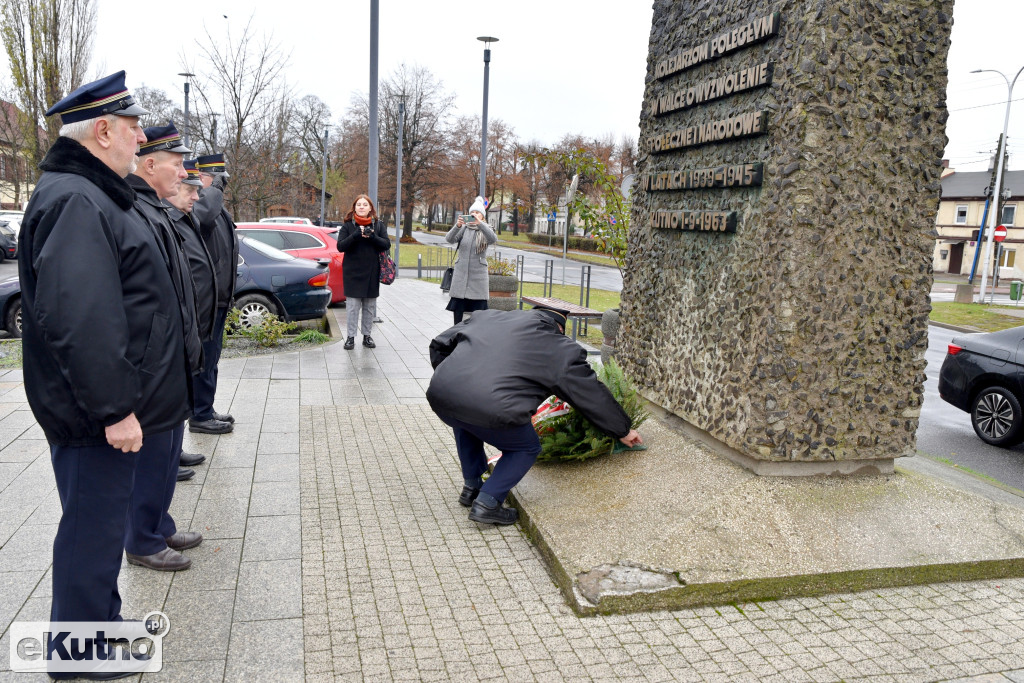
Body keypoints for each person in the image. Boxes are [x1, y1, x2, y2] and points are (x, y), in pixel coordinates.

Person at [17, 71, 183, 653]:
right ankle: (80, 655)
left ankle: (99, 633)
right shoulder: (77, 200)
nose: (142, 140)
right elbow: (79, 318)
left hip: (98, 408)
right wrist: (115, 409)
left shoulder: (90, 194)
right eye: (136, 128)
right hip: (93, 414)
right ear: (104, 130)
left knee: (99, 528)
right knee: (91, 533)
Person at [426, 304, 643, 525]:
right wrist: (622, 429)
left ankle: (472, 486)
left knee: (466, 420)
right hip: (494, 408)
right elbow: (589, 393)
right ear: (559, 328)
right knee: (525, 447)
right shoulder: (556, 346)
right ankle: (488, 503)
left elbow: (439, 343)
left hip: (441, 396)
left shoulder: (486, 317)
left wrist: (450, 380)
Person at [122, 122, 204, 572]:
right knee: (152, 455)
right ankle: (142, 540)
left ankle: (160, 523)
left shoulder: (154, 208)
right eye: (176, 164)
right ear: (150, 164)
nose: (183, 172)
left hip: (171, 355)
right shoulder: (135, 208)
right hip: (153, 360)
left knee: (167, 451)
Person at [166, 159, 216, 480]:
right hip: (176, 321)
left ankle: (174, 451)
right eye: (189, 190)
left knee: (184, 387)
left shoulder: (182, 218)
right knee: (173, 389)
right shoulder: (168, 219)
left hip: (194, 315)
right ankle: (167, 459)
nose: (196, 197)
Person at [190, 153, 237, 434]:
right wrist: (213, 189)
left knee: (212, 357)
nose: (220, 184)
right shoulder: (199, 204)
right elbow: (205, 215)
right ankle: (200, 414)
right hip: (206, 299)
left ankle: (206, 407)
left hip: (219, 298)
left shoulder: (214, 204)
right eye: (214, 177)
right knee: (205, 357)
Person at [335, 194, 391, 349]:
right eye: (358, 204)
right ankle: (350, 337)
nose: (361, 207)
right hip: (352, 273)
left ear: (370, 208)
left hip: (372, 272)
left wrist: (372, 236)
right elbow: (340, 247)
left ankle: (367, 336)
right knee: (352, 307)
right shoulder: (348, 226)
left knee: (369, 307)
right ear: (354, 208)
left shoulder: (378, 225)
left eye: (365, 205)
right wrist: (355, 235)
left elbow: (386, 244)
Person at [444, 196, 497, 324]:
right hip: (461, 275)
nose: (474, 215)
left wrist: (480, 224)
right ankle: (456, 335)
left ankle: (475, 337)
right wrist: (457, 226)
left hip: (478, 276)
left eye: (477, 213)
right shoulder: (464, 228)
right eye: (472, 212)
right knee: (458, 310)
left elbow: (493, 239)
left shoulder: (486, 229)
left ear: (483, 216)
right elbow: (449, 239)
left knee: (478, 313)